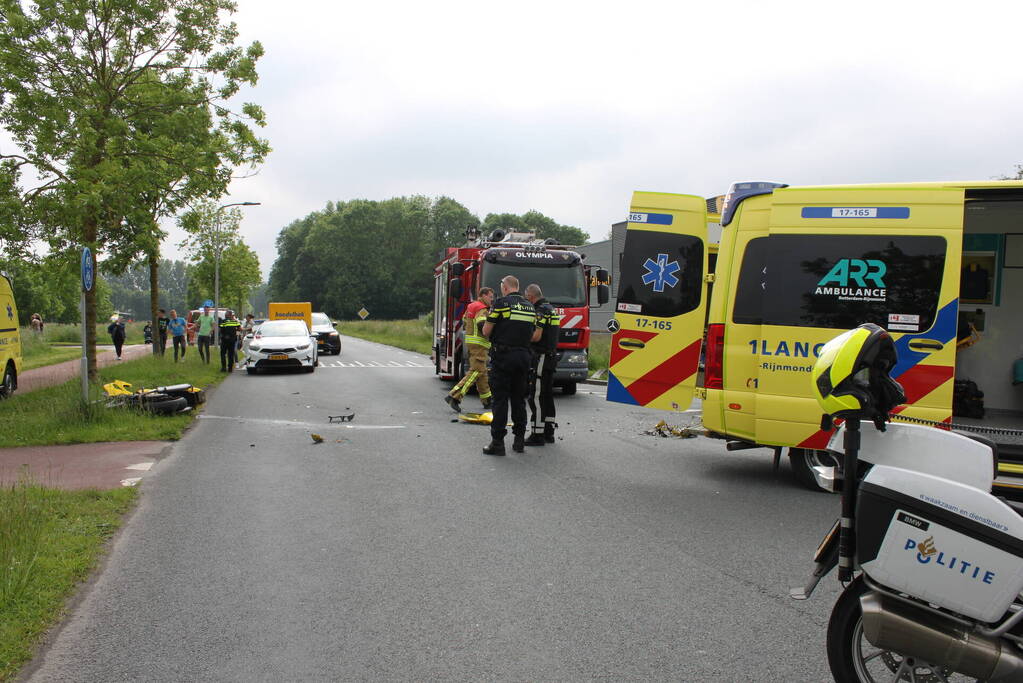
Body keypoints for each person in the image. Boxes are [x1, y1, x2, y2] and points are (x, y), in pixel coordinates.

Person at [480, 275, 540, 456]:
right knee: (518, 400)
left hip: (504, 357)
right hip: (523, 357)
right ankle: (519, 440)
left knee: (500, 400)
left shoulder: (501, 304)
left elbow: (486, 331)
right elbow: (533, 334)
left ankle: (497, 443)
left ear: (505, 287)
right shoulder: (530, 307)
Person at [445, 287, 495, 413]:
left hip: (471, 343)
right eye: (490, 296)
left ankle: (487, 400)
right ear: (483, 295)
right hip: (479, 345)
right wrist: (493, 332)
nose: (492, 299)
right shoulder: (482, 309)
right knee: (475, 371)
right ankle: (454, 396)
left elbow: (465, 321)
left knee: (482, 372)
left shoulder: (471, 306)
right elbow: (481, 325)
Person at [524, 284, 560, 446]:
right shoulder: (551, 308)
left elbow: (537, 336)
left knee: (536, 396)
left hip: (542, 357)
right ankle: (548, 431)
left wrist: (522, 336)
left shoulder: (540, 311)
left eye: (527, 298)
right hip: (551, 356)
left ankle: (537, 434)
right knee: (547, 395)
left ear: (531, 297)